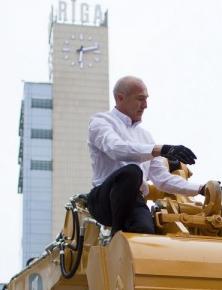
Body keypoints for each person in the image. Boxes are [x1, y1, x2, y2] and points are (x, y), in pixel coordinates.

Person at [87, 75, 208, 237]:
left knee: (146, 234)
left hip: (134, 202)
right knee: (132, 172)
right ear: (120, 98)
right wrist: (162, 149)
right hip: (104, 199)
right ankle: (115, 236)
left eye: (146, 99)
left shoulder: (146, 138)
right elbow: (116, 149)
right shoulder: (100, 122)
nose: (145, 105)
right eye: (140, 99)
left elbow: (163, 180)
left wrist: (201, 189)